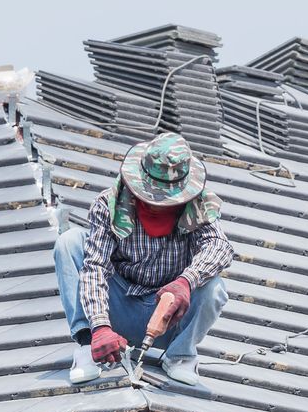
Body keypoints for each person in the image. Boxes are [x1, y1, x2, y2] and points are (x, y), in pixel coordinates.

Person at [52, 131, 234, 390]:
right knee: (69, 242)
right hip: (115, 307)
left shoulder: (198, 207)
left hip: (168, 315)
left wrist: (185, 281)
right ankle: (89, 346)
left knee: (215, 287)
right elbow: (95, 267)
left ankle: (179, 355)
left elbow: (220, 246)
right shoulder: (109, 204)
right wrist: (101, 326)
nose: (156, 205)